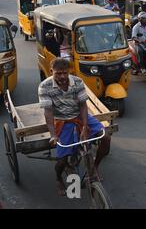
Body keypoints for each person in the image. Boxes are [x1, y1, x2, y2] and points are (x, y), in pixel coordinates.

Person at [38, 58, 111, 196]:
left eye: (65, 73)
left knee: (106, 137)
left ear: (69, 71)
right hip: (61, 120)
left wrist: (84, 127)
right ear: (51, 71)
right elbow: (48, 113)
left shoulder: (77, 82)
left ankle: (94, 167)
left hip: (80, 116)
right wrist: (53, 135)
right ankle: (58, 178)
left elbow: (83, 105)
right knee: (63, 159)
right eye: (58, 74)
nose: (62, 77)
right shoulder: (44, 86)